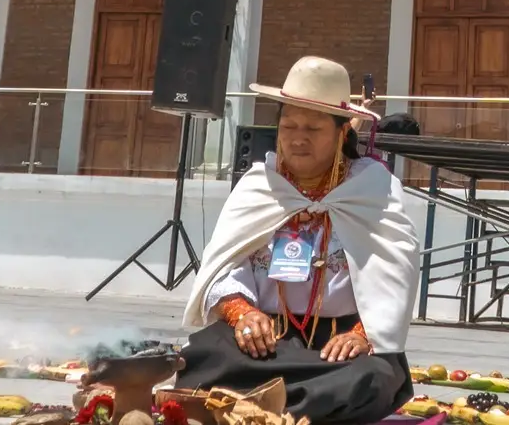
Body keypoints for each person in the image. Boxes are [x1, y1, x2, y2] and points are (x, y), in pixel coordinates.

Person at [179, 56, 419, 425]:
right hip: (264, 341)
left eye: (312, 127)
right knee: (203, 354)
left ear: (342, 133)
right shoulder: (259, 185)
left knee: (369, 379)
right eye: (288, 125)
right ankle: (294, 404)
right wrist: (242, 312)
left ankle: (259, 404)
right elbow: (227, 262)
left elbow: (395, 272)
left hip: (339, 347)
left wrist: (363, 333)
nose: (297, 137)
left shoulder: (374, 188)